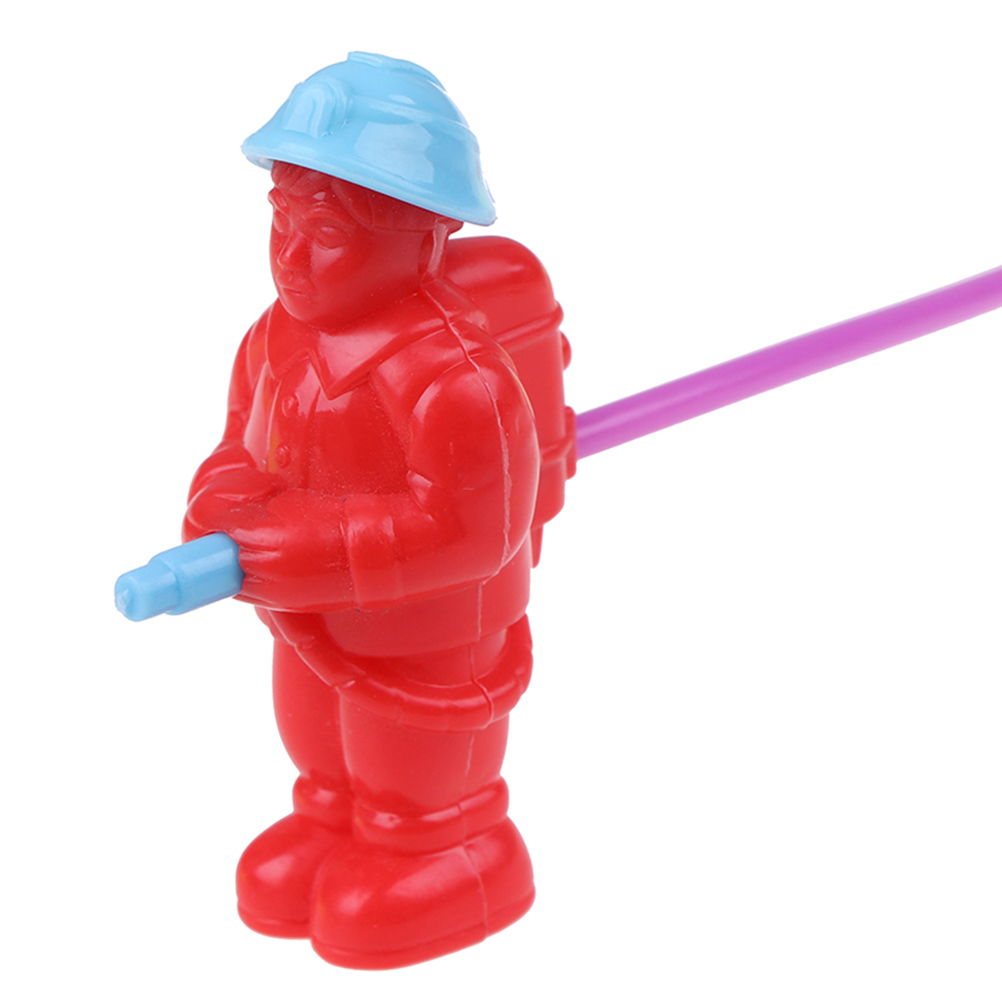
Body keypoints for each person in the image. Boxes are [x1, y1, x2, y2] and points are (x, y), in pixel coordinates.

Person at [181, 53, 574, 969]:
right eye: (282, 218)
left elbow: (472, 532)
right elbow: (240, 438)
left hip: (428, 638)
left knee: (412, 757)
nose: (290, 253)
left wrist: (322, 547)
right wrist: (219, 496)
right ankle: (333, 818)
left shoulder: (456, 381)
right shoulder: (273, 338)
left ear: (426, 233)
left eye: (326, 228)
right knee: (317, 735)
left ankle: (447, 846)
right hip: (312, 621)